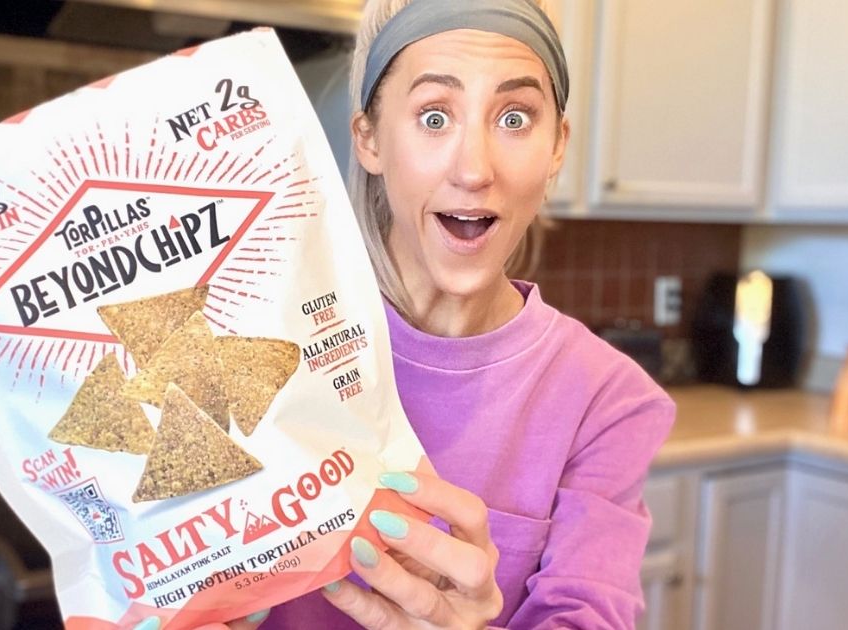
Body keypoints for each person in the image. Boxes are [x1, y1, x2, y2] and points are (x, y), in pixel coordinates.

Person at [144, 0, 675, 628]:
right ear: (369, 137)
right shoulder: (248, 339)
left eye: (514, 117)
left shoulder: (606, 402)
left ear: (556, 145)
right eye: (432, 116)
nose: (475, 170)